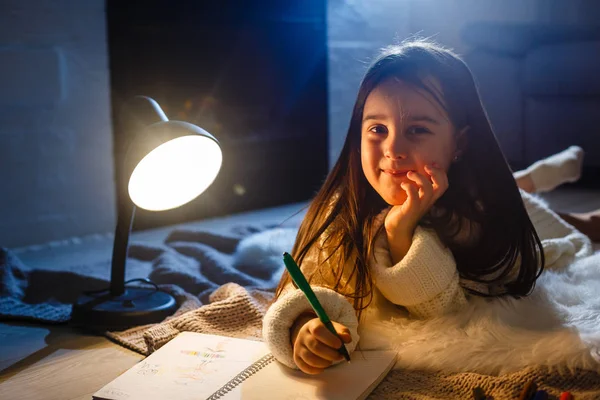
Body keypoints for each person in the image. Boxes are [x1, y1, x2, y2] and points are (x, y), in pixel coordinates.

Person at [261, 39, 594, 375]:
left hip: (482, 192)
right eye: (377, 129)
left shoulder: (481, 205)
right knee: (520, 187)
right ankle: (539, 175)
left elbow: (449, 309)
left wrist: (400, 233)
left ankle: (547, 187)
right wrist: (303, 328)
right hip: (477, 184)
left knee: (572, 221)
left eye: (417, 130)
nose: (392, 149)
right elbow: (304, 289)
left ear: (459, 144)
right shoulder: (340, 210)